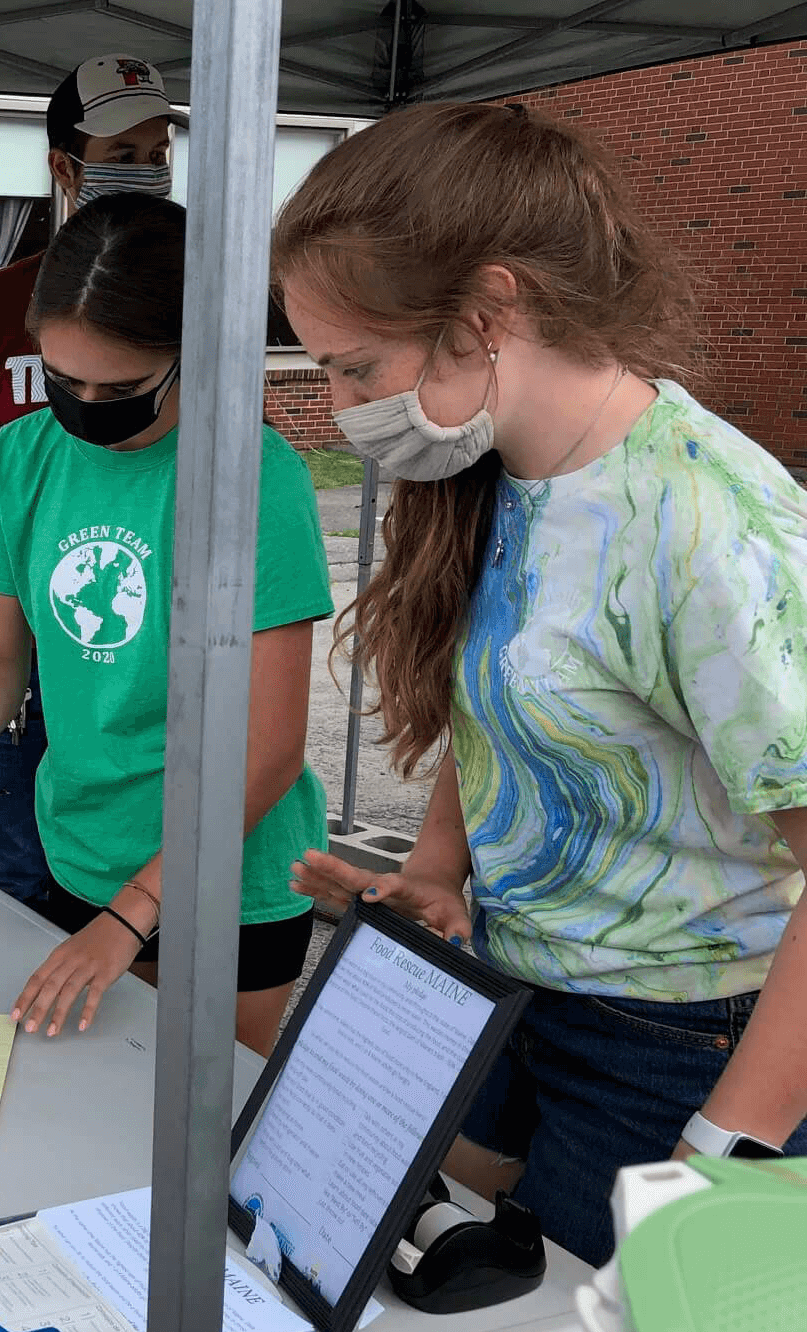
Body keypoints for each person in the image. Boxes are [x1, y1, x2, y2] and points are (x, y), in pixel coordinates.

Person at [277, 102, 807, 1269]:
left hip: (680, 1033)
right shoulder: (506, 470)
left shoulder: (709, 525)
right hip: (516, 980)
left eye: (356, 365)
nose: (339, 405)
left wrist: (737, 1140)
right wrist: (436, 868)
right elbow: (503, 702)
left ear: (490, 310)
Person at [0, 193, 332, 1054]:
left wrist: (134, 916)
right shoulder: (21, 459)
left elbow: (271, 746)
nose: (89, 408)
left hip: (228, 880)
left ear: (192, 352)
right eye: (64, 381)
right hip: (82, 853)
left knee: (206, 1146)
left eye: (125, 388)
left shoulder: (253, 476)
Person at [0, 53, 184, 917]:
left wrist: (128, 921)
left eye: (159, 148)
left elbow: (255, 753)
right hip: (28, 611)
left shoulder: (199, 293)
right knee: (21, 870)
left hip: (146, 671)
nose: (147, 168)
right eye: (124, 148)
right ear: (64, 165)